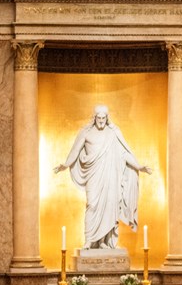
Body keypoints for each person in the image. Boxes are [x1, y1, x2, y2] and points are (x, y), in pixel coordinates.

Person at [54, 104, 152, 250]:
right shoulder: (86, 133)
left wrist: (139, 167)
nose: (101, 120)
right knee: (92, 204)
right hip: (94, 175)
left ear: (107, 118)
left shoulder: (113, 133)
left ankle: (103, 242)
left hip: (110, 177)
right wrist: (65, 164)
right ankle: (89, 240)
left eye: (103, 118)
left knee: (109, 206)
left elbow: (124, 154)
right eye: (98, 118)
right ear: (94, 118)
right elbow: (75, 151)